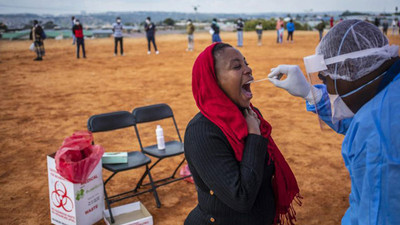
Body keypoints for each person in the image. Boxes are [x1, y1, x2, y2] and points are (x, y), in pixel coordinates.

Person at [268, 19, 400, 225]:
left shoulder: (376, 131)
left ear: (349, 67)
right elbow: (356, 120)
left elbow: (376, 218)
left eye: (326, 79)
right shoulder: (390, 94)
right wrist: (311, 94)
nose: (329, 89)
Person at [184, 42, 301, 225]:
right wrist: (254, 137)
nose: (248, 69)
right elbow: (241, 198)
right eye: (237, 66)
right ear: (214, 81)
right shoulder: (202, 132)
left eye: (246, 63)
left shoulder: (251, 116)